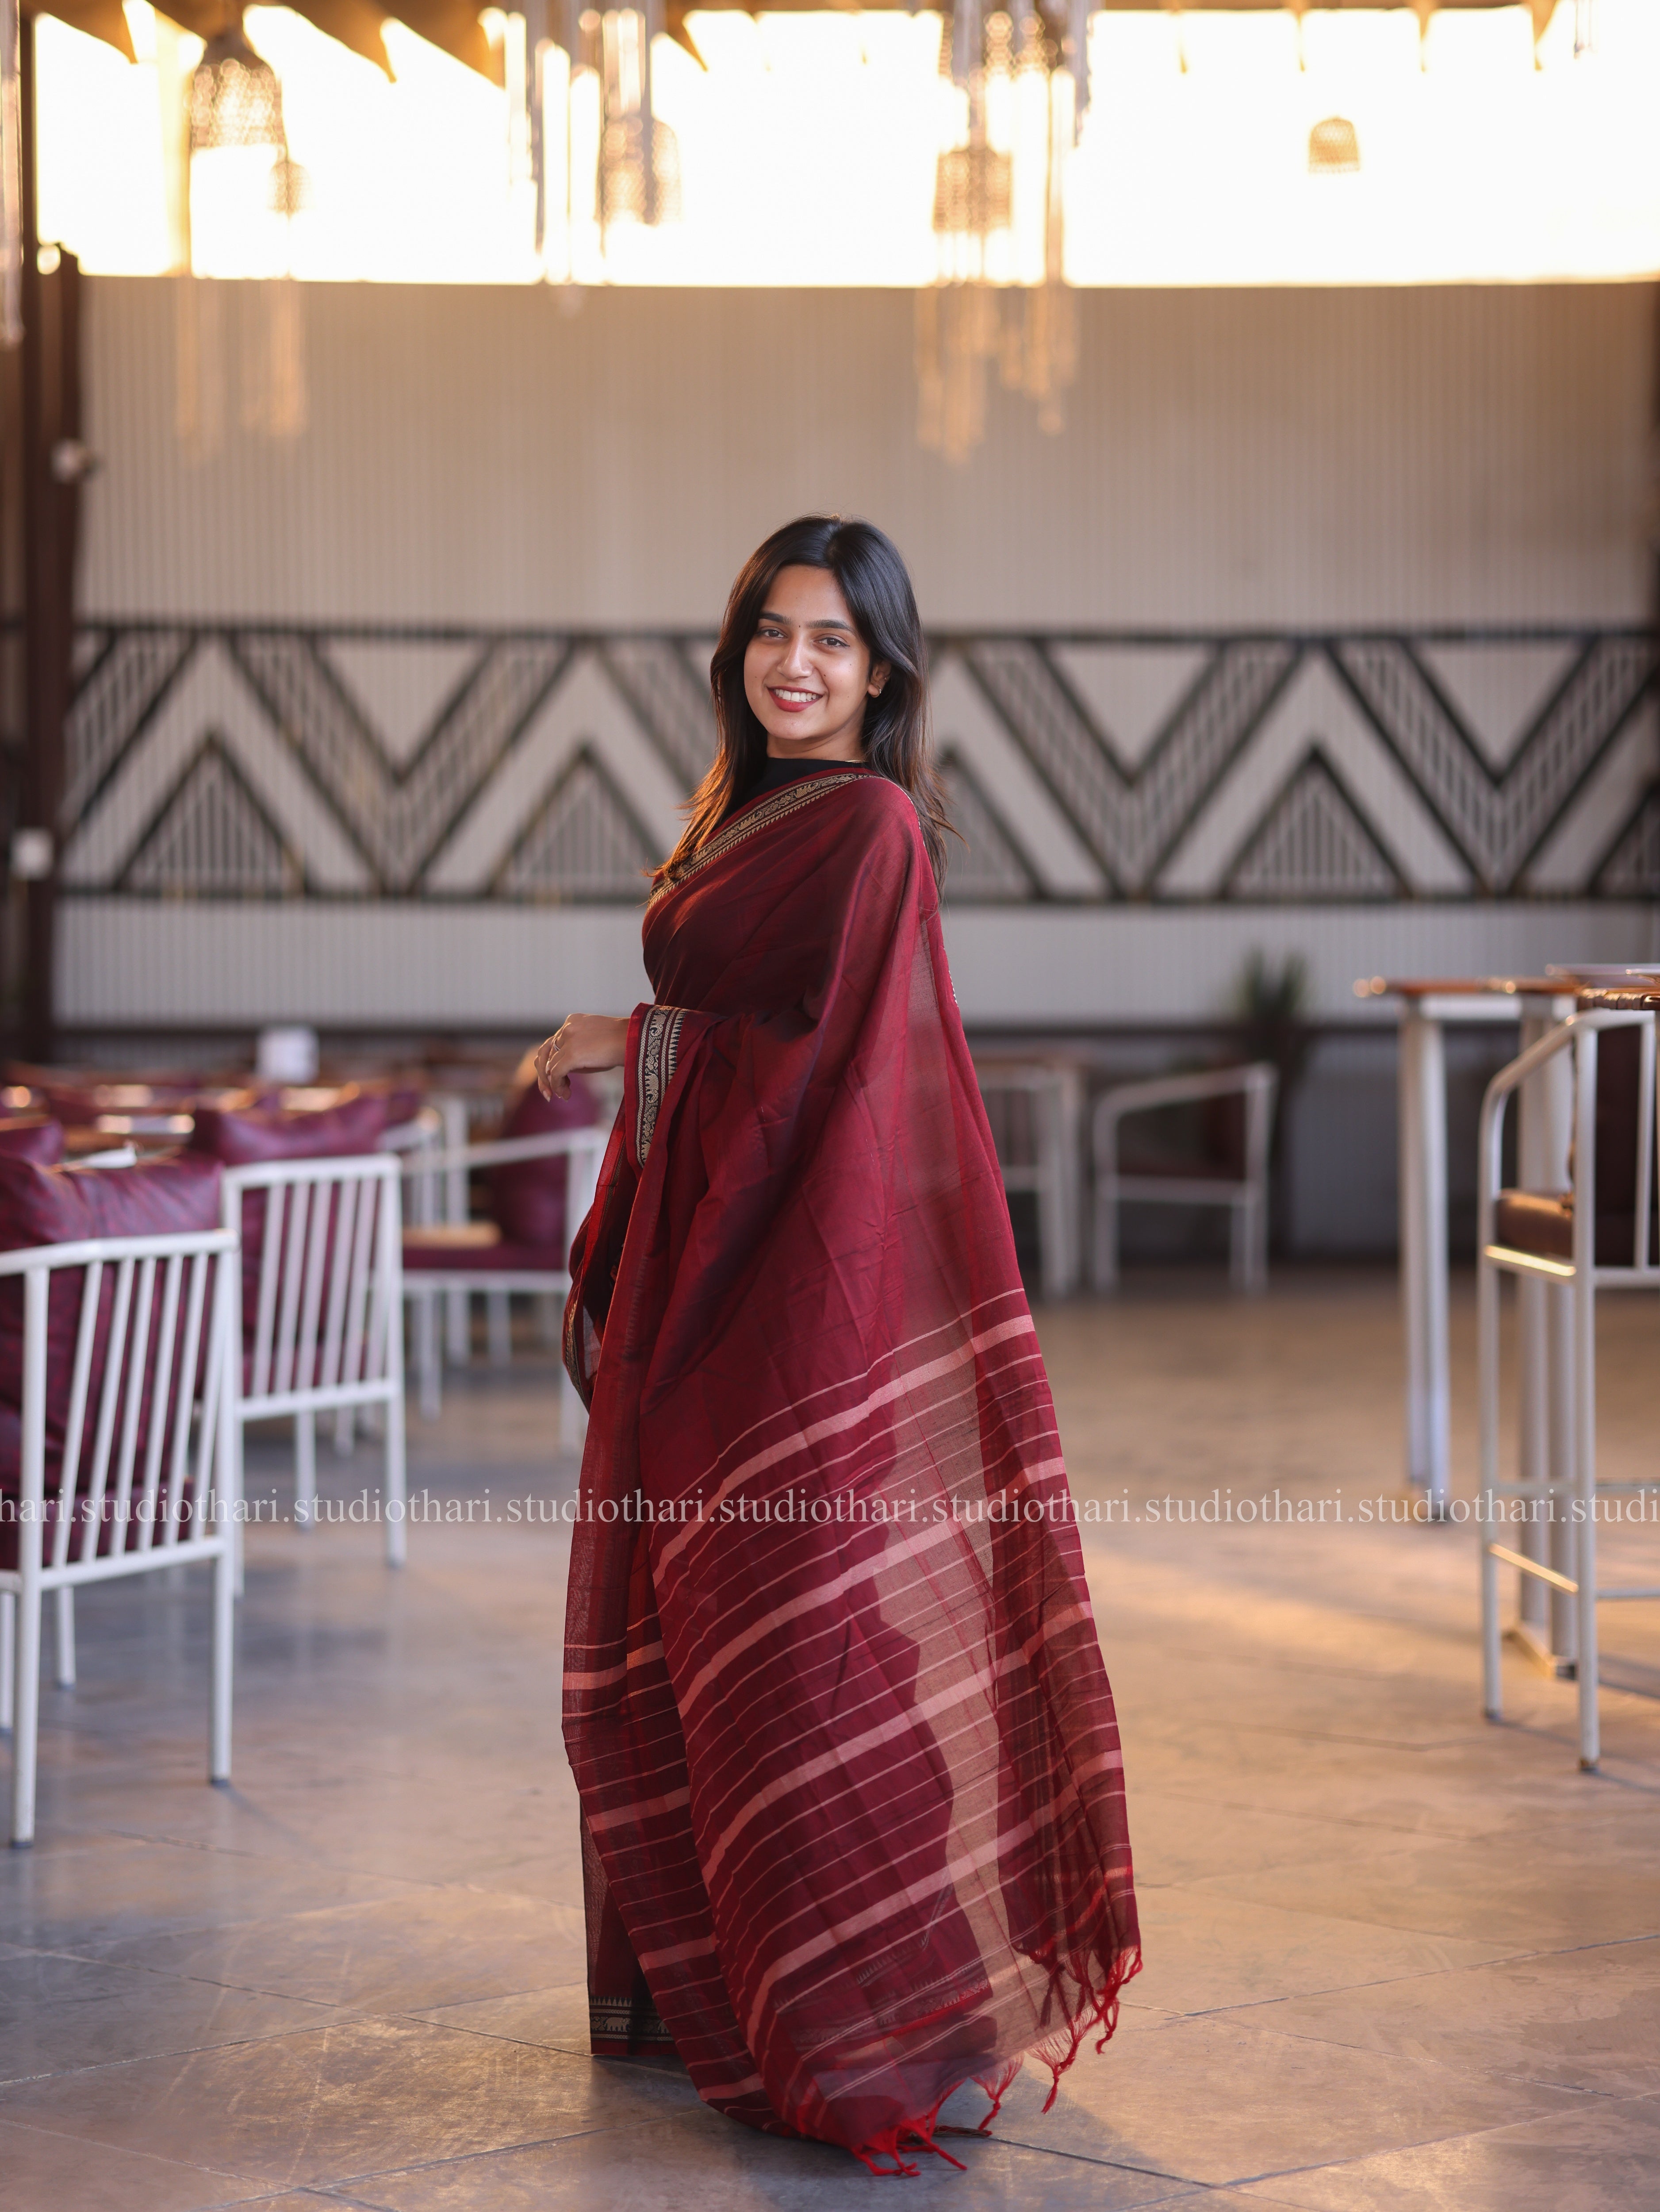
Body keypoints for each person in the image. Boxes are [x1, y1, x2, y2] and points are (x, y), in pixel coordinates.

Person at [533, 515, 1139, 2175]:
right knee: (695, 1637)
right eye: (769, 636)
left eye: (831, 642)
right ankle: (731, 1981)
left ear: (881, 671)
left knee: (798, 1638)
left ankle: (861, 2004)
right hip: (713, 1277)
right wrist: (651, 1041)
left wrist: (643, 1045)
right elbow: (753, 1031)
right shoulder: (754, 812)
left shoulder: (866, 825)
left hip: (794, 1294)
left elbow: (825, 1081)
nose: (793, 665)